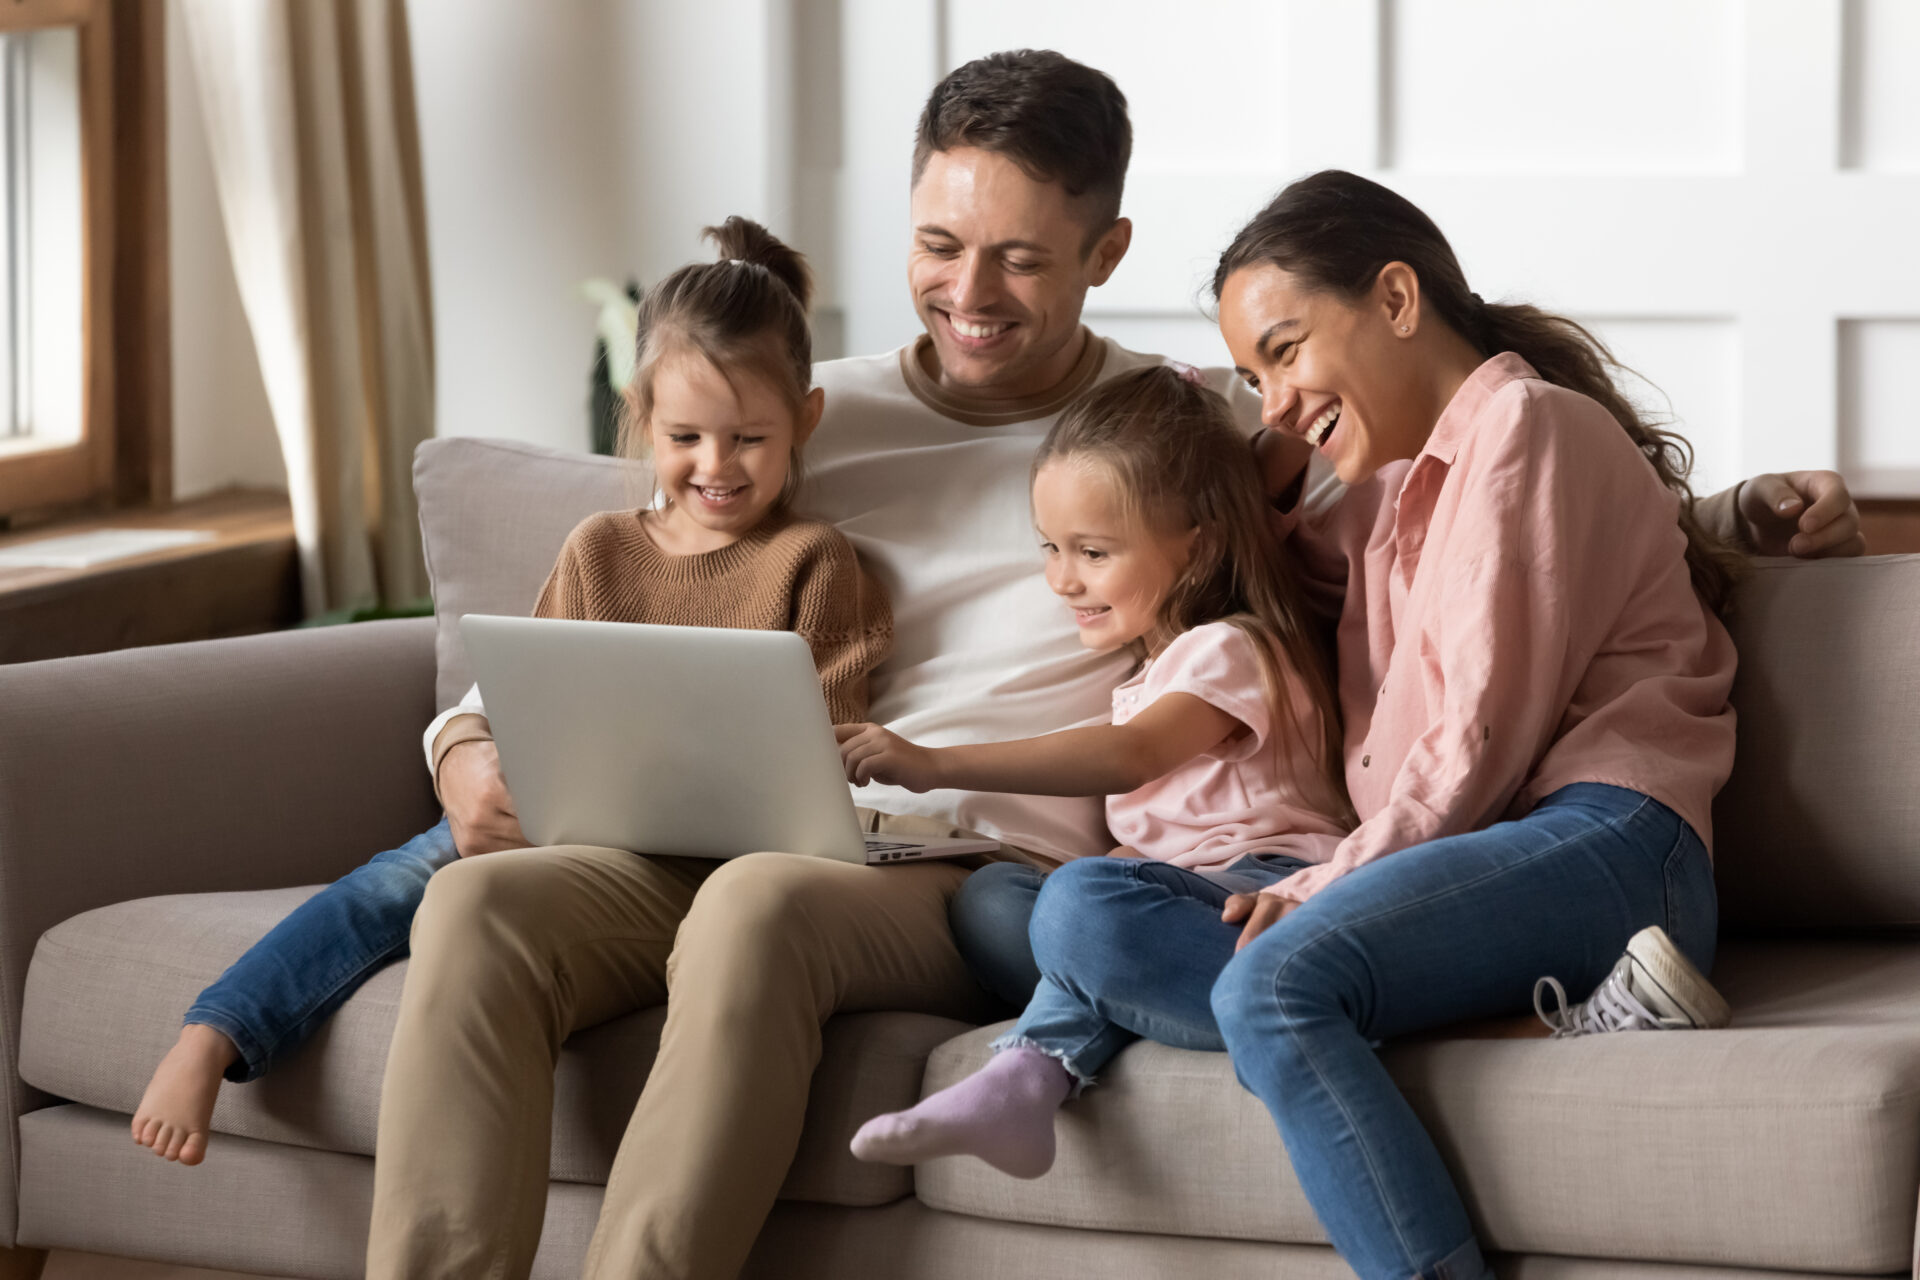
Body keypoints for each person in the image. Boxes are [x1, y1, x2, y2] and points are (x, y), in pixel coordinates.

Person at [373, 50, 1865, 1280]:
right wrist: (465, 740)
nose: (968, 294)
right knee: (481, 910)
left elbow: (1472, 519)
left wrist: (1733, 515)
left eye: (1019, 259)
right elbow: (624, 582)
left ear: (1105, 255)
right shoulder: (794, 412)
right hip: (735, 807)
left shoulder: (1194, 424)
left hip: (948, 856)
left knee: (794, 908)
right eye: (939, 247)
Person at [995, 168, 1792, 1280]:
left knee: (1273, 983)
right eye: (1246, 373)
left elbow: (1475, 743)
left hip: (1613, 842)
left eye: (1283, 350)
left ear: (1399, 300)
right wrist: (1274, 439)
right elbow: (1243, 564)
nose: (1270, 396)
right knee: (1079, 909)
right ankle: (1537, 1023)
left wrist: (1321, 889)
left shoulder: (1529, 428)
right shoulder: (1380, 495)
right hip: (1480, 865)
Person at [129, 216, 889, 1169]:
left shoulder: (814, 560)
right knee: (393, 882)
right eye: (686, 436)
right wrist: (476, 756)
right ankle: (216, 1034)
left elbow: (823, 739)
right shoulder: (600, 549)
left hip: (708, 860)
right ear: (641, 415)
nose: (716, 466)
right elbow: (524, 687)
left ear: (805, 422)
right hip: (560, 822)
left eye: (750, 439)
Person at [834, 364, 1352, 1179]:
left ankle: (1034, 1067)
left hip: (1263, 889)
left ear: (1202, 546)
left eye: (1094, 552)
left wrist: (931, 763)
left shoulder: (1234, 648)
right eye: (1051, 547)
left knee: (1079, 900)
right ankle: (1090, 1029)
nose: (1063, 578)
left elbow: (1131, 753)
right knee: (994, 901)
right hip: (1172, 896)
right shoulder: (1151, 668)